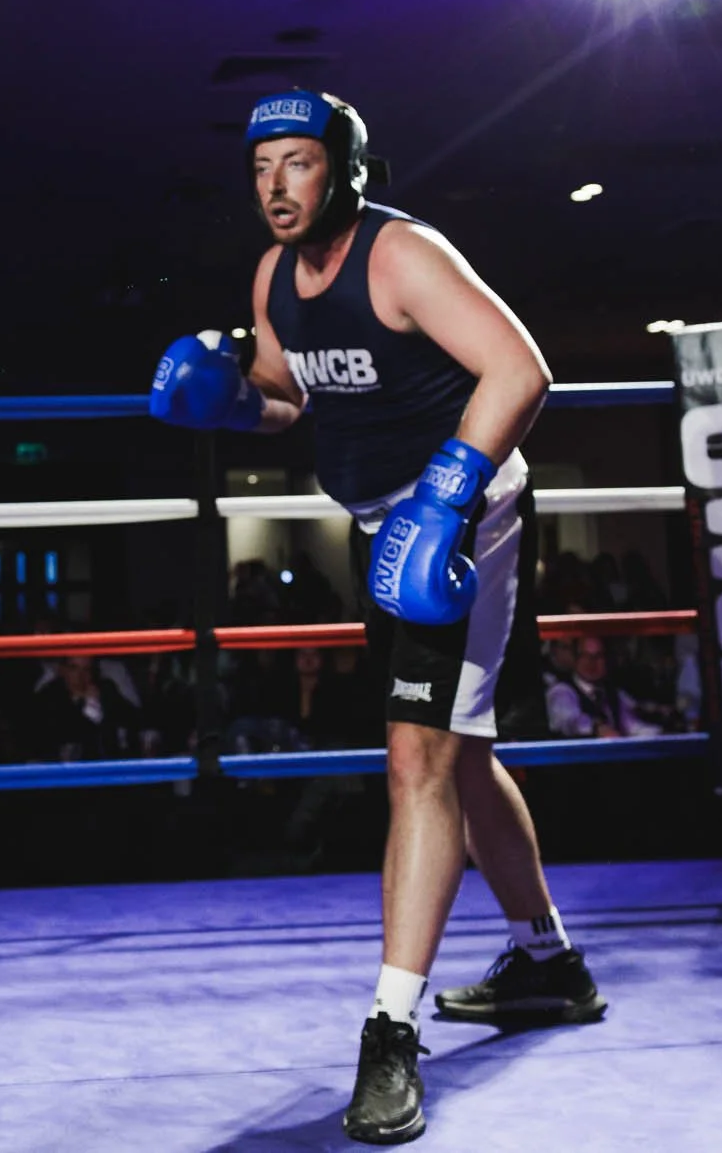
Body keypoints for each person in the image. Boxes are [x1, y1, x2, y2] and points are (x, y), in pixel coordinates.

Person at [150, 89, 600, 1146]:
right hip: (378, 528)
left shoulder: (401, 257)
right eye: (261, 164)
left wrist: (446, 495)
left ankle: (389, 1028)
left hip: (459, 521)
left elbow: (519, 368)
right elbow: (293, 389)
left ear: (342, 169)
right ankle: (548, 961)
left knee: (417, 763)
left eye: (297, 161)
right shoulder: (274, 278)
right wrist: (223, 398)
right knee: (462, 751)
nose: (274, 183)